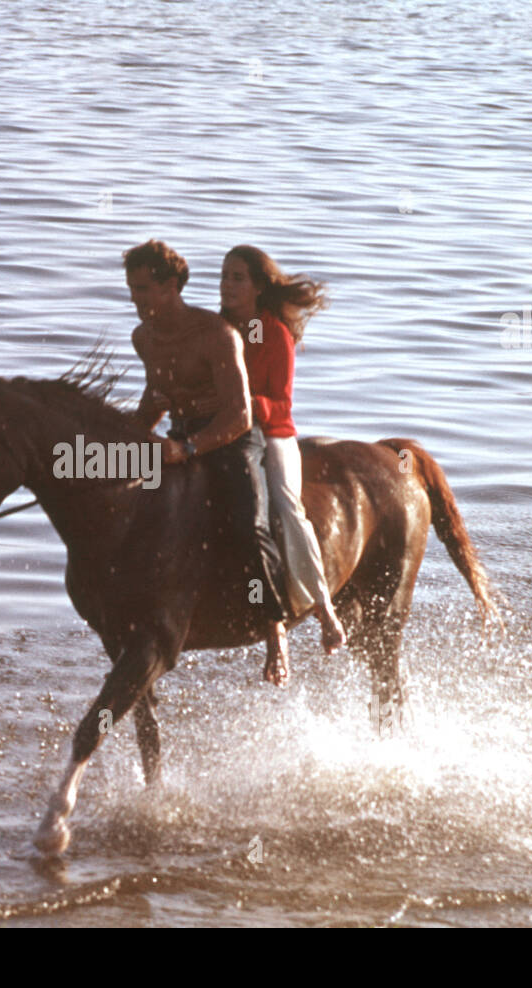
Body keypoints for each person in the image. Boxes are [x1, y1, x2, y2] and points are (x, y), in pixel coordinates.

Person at [123, 239, 294, 685]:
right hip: (180, 436)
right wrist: (116, 442)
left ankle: (274, 625)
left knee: (246, 522)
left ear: (172, 287)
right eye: (132, 290)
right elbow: (154, 401)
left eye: (144, 290)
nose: (136, 300)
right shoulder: (143, 338)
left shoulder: (219, 335)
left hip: (230, 438)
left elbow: (240, 414)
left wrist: (189, 449)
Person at [219, 244, 347, 654]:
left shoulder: (270, 332)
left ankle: (324, 609)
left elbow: (280, 401)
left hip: (273, 434)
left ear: (258, 287)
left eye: (238, 278)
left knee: (287, 506)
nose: (227, 285)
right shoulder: (215, 329)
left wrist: (243, 405)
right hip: (223, 434)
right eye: (223, 276)